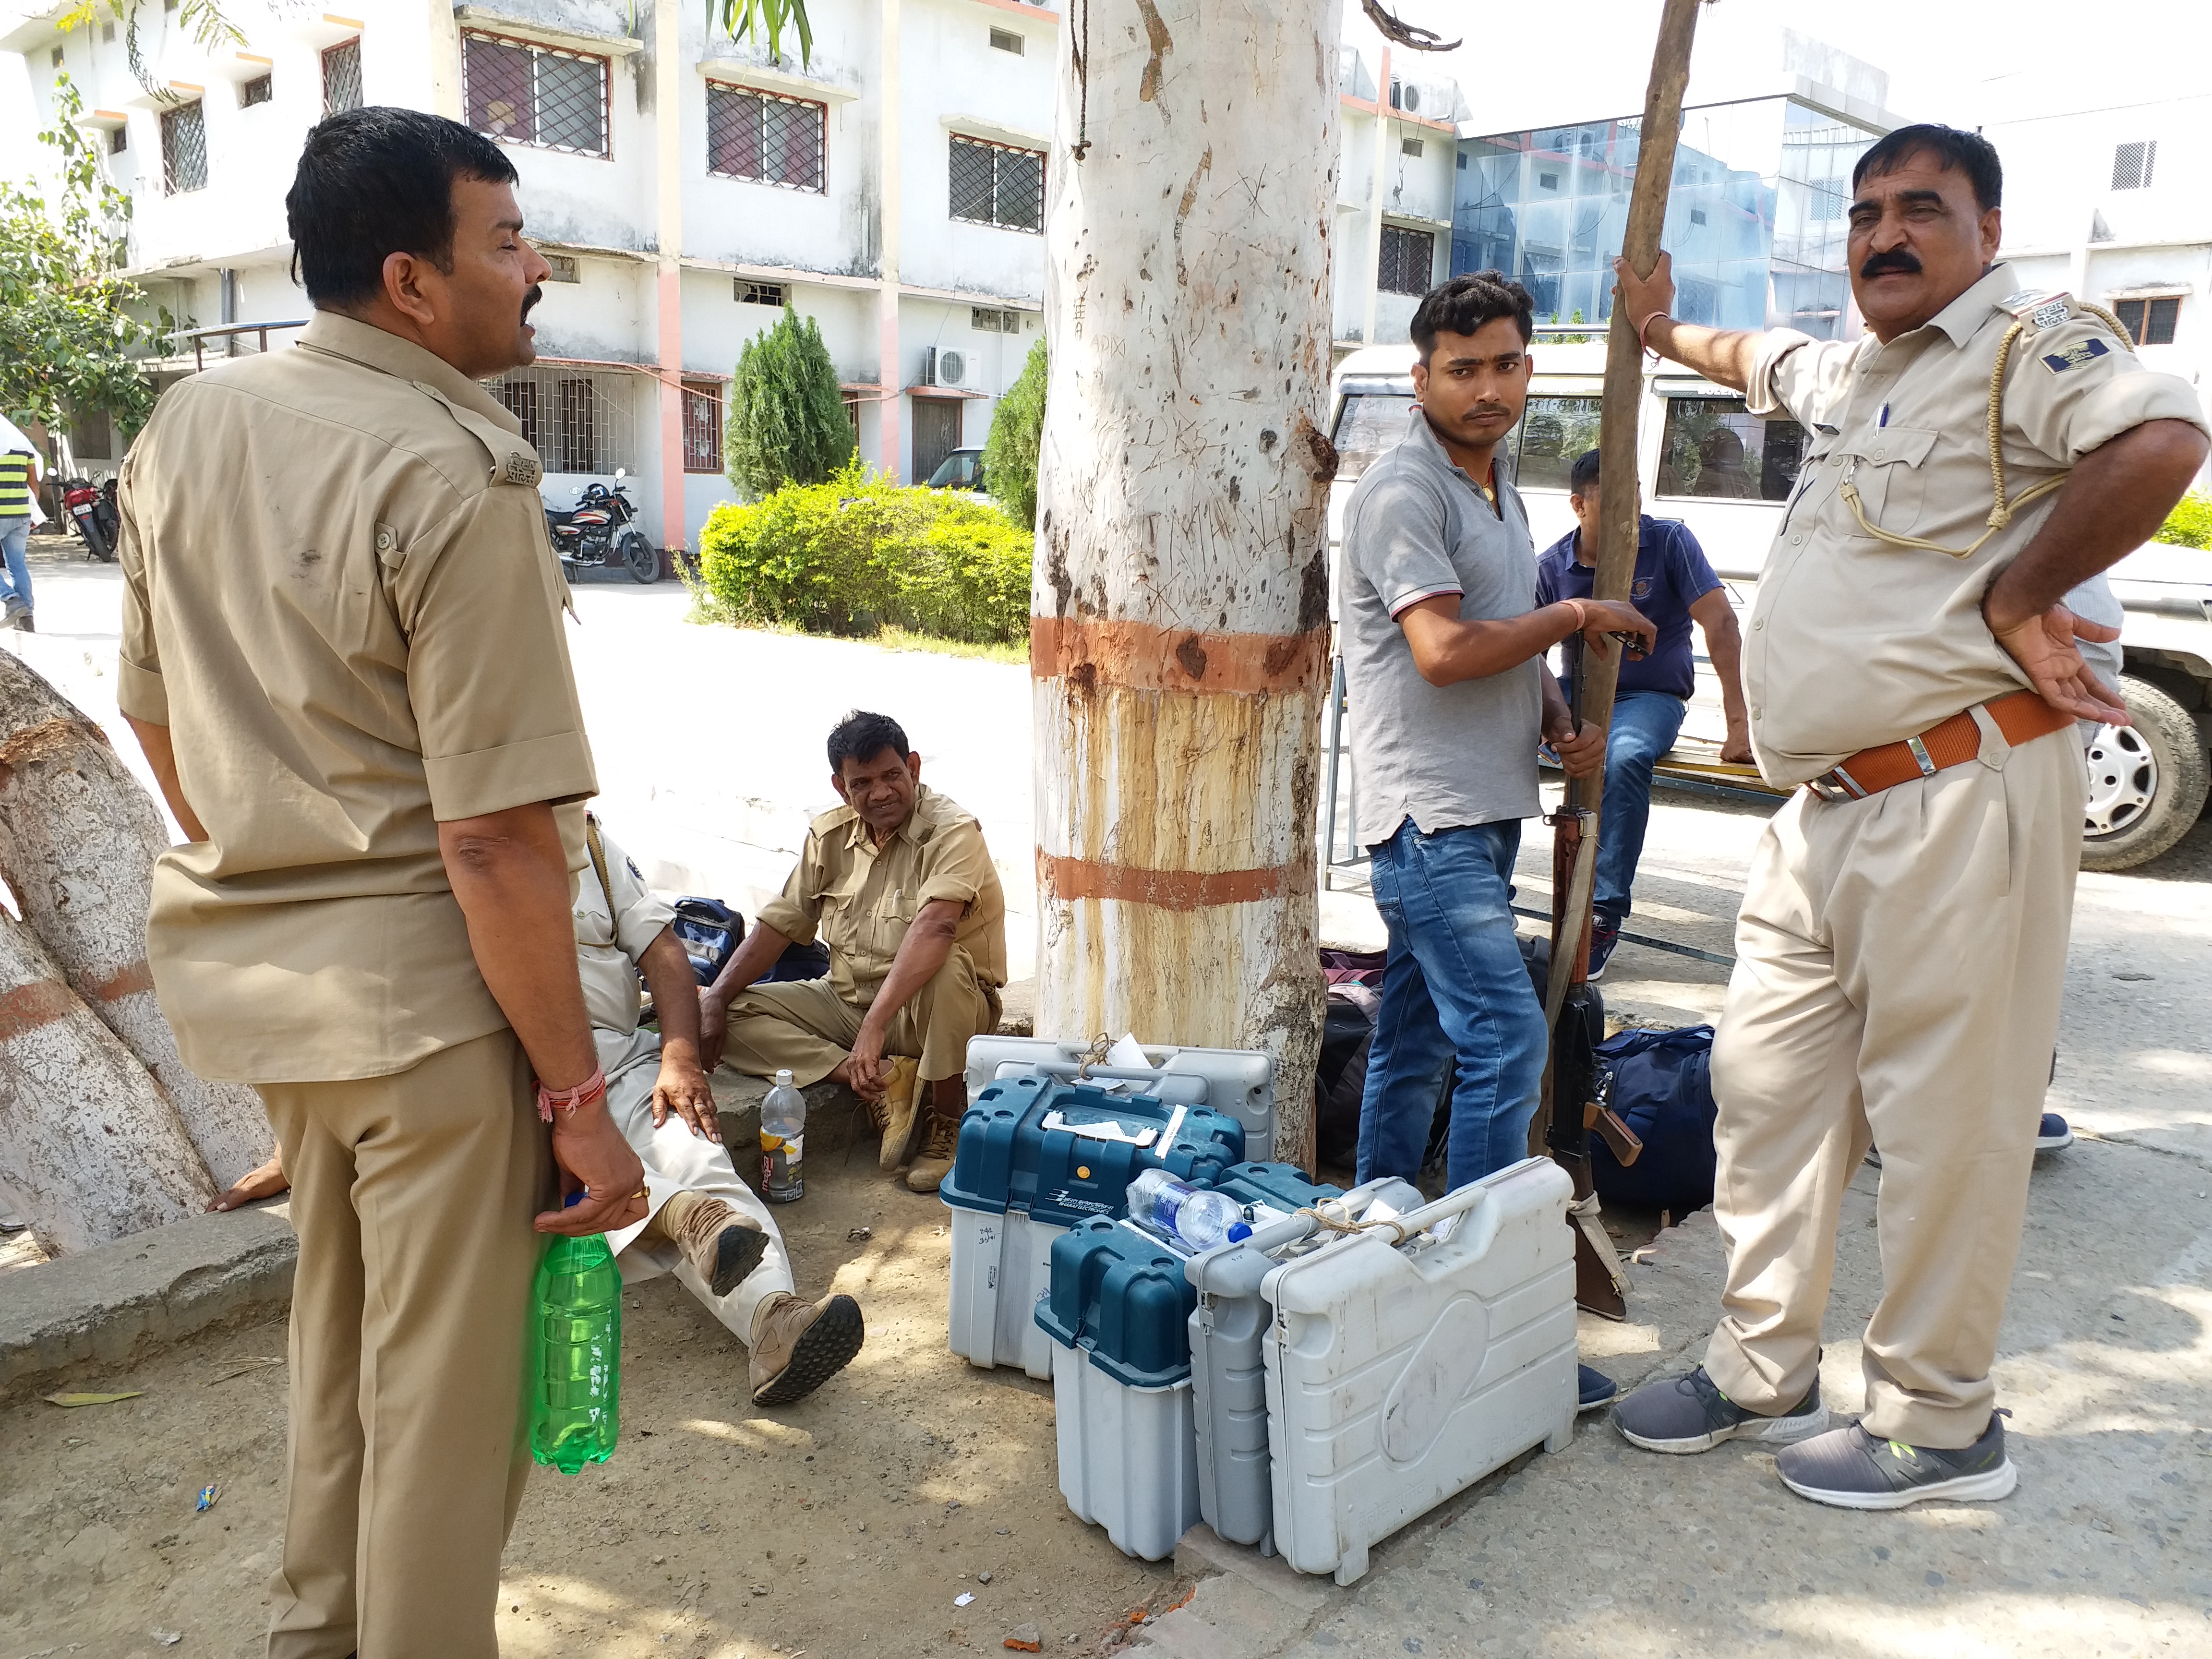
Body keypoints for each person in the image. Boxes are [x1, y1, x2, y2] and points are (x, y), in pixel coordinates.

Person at [1607, 124, 2208, 1509]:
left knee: (1950, 1128)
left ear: (1986, 231)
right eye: (1867, 212)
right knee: (1765, 1100)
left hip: (1959, 789)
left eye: (1921, 210)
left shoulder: (2028, 343)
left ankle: (1943, 1427)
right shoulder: (1854, 370)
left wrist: (2013, 597)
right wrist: (1661, 327)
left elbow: (2162, 439)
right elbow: (1752, 359)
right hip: (1819, 817)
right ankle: (1764, 1369)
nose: (1884, 234)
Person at [117, 107, 646, 1657]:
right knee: (446, 1406)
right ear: (412, 282)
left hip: (275, 1000)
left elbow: (157, 715)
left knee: (340, 1353)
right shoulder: (457, 464)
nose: (534, 269)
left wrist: (289, 859)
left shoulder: (187, 428)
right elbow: (492, 836)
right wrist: (578, 1101)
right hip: (431, 1017)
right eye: (506, 241)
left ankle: (315, 1637)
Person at [214, 814, 869, 1407]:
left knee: (699, 1152)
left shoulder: (586, 837)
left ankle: (773, 1321)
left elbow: (663, 952)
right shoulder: (424, 843)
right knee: (557, 1171)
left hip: (617, 1055)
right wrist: (298, 1142)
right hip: (505, 1075)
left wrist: (679, 1057)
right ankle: (677, 1214)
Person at [1335, 270, 1657, 1414]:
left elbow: (1496, 644)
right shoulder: (1401, 490)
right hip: (1427, 820)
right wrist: (1569, 618)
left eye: (1504, 363)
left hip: (1483, 811)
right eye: (1460, 367)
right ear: (1420, 377)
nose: (1485, 386)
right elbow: (1438, 649)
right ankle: (1461, 1313)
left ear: (1528, 369)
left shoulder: (1499, 485)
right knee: (1509, 1042)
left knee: (1415, 1040)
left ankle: (1368, 1245)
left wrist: (1555, 712)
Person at [698, 710, 1007, 1196]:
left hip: (937, 1009)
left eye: (892, 776)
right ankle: (885, 1080)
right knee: (733, 1011)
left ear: (914, 768)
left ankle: (947, 1125)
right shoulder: (829, 836)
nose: (881, 792)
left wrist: (874, 1025)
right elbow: (781, 925)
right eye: (862, 783)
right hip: (847, 1000)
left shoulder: (952, 830)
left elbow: (937, 926)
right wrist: (714, 997)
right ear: (842, 788)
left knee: (945, 967)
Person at [1536, 448, 1753, 977]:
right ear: (1578, 507)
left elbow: (1721, 625)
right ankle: (1489, 893)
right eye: (1613, 506)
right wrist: (1550, 717)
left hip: (1649, 700)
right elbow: (1526, 657)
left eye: (1634, 502)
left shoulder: (1670, 542)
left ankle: (1604, 911)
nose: (1629, 519)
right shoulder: (1552, 567)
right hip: (1573, 696)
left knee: (1624, 755)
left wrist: (1741, 725)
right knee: (1492, 741)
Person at [0, 413, 44, 630]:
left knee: (15, 565)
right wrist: (29, 514)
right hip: (21, 514)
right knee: (17, 565)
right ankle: (26, 619)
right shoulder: (23, 447)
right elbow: (34, 485)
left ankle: (10, 599)